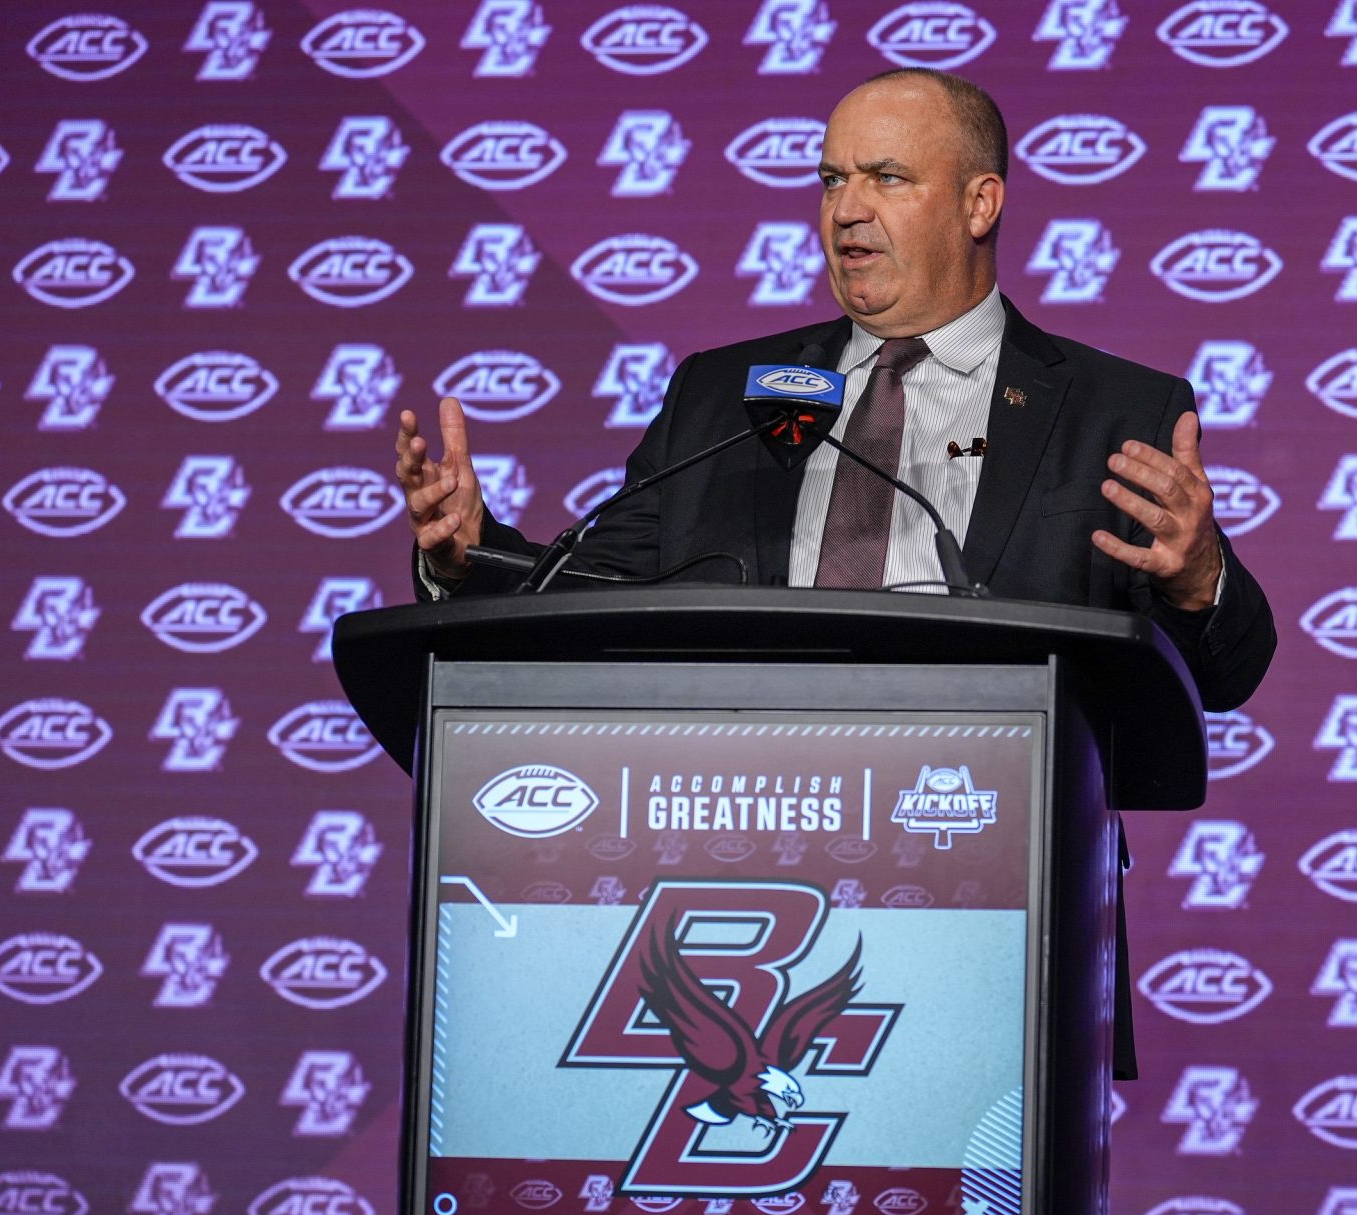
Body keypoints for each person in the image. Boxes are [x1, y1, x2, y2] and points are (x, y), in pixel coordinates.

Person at [393, 69, 1277, 1074]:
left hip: (1002, 917)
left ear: (980, 202)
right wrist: (469, 557)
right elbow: (588, 590)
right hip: (726, 906)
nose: (847, 209)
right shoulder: (728, 394)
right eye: (830, 179)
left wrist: (1200, 575)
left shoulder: (1113, 408)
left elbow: (1228, 670)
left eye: (888, 177)